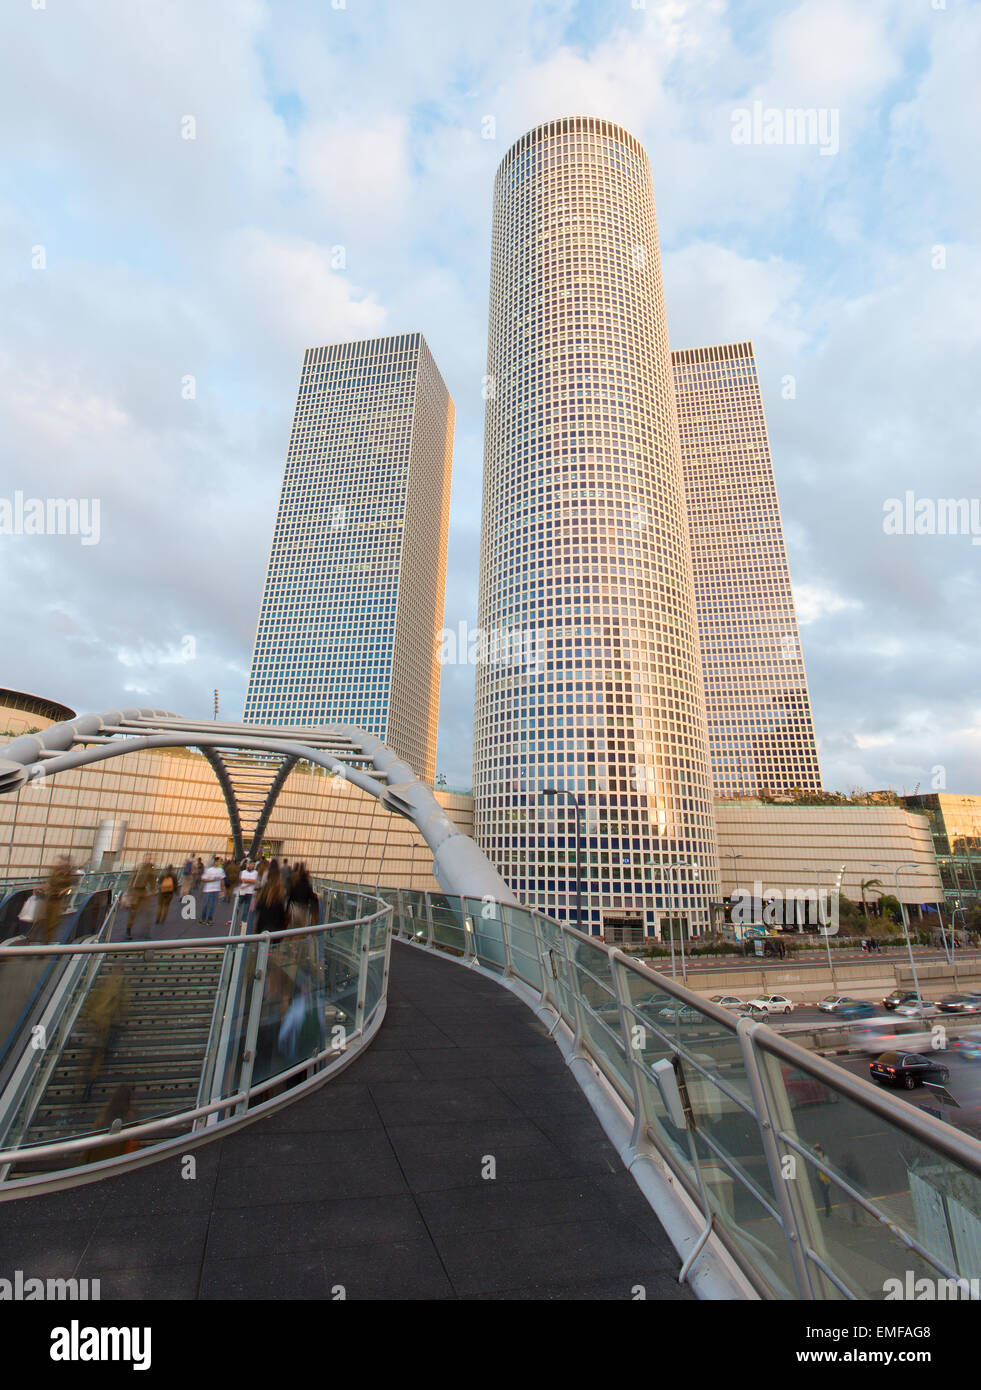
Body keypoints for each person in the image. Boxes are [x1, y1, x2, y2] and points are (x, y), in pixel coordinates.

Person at [41, 857, 74, 944]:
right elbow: (49, 884)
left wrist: (63, 891)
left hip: (58, 900)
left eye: (61, 862)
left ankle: (46, 943)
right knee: (46, 921)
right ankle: (45, 941)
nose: (59, 864)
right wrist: (41, 888)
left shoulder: (67, 875)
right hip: (50, 897)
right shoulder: (54, 873)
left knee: (52, 922)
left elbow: (71, 887)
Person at [254, 859, 287, 935]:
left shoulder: (265, 888)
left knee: (263, 943)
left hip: (263, 924)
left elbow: (258, 906)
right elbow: (282, 909)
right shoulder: (280, 890)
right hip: (276, 925)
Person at [125, 859, 156, 941]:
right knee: (136, 912)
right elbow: (152, 882)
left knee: (141, 912)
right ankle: (130, 930)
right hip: (137, 892)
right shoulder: (145, 870)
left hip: (140, 892)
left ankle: (131, 930)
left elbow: (152, 882)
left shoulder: (141, 869)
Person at [286, 863, 318, 930]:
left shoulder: (295, 882)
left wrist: (287, 908)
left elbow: (290, 895)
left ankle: (292, 939)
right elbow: (311, 896)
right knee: (300, 929)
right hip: (303, 908)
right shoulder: (307, 884)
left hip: (294, 907)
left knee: (292, 927)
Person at [200, 857, 224, 926]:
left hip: (216, 889)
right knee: (206, 905)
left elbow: (222, 879)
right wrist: (213, 880)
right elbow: (203, 879)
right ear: (214, 862)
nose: (217, 863)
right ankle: (203, 918)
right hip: (208, 890)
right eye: (216, 861)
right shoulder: (208, 870)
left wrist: (222, 889)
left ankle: (210, 919)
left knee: (213, 906)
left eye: (218, 862)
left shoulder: (221, 870)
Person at [236, 859, 258, 928]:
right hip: (242, 892)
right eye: (251, 864)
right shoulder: (243, 872)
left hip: (249, 892)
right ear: (247, 865)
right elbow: (242, 879)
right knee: (238, 906)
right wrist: (250, 882)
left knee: (246, 908)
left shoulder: (255, 872)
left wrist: (246, 883)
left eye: (253, 864)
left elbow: (254, 881)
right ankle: (234, 919)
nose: (252, 866)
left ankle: (243, 921)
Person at [813, 1144, 832, 1218]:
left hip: (825, 1179)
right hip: (820, 1178)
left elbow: (827, 1166)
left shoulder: (824, 1158)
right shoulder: (816, 1157)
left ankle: (828, 1209)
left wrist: (821, 1159)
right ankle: (828, 1207)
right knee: (824, 1195)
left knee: (825, 1194)